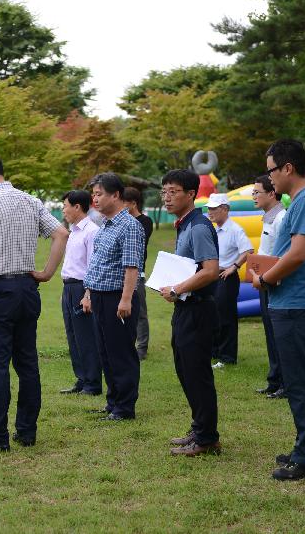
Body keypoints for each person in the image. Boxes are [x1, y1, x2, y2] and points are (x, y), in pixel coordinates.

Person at [0, 150, 69, 452]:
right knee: (27, 363)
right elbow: (61, 233)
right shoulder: (31, 201)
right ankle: (27, 431)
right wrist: (47, 273)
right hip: (27, 289)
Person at [252, 139, 305, 481]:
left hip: (299, 304)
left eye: (271, 170)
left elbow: (298, 254)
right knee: (298, 381)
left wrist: (266, 279)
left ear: (287, 168)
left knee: (302, 383)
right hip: (291, 302)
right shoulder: (302, 201)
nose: (270, 179)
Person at [158, 169, 222, 456]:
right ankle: (199, 428)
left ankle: (207, 438)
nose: (167, 197)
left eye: (173, 191)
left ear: (191, 194)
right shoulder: (183, 225)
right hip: (185, 306)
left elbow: (210, 270)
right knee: (185, 370)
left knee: (197, 373)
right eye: (164, 192)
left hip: (198, 308)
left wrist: (178, 288)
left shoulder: (198, 226)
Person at [82, 173, 144, 421]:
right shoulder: (105, 224)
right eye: (93, 194)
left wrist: (126, 299)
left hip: (117, 297)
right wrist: (88, 293)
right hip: (98, 295)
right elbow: (97, 263)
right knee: (105, 351)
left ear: (115, 195)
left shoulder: (130, 226)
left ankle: (125, 407)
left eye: (99, 194)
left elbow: (132, 267)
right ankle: (113, 401)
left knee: (121, 353)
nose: (94, 199)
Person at [59, 190, 102, 396]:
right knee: (73, 336)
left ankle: (93, 383)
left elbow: (93, 266)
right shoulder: (74, 231)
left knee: (86, 336)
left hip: (82, 287)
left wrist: (88, 294)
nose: (63, 209)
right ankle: (82, 378)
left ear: (77, 207)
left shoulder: (91, 231)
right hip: (69, 288)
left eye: (65, 205)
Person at [206, 193, 253, 368]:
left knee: (226, 317)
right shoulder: (213, 229)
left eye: (214, 209)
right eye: (209, 208)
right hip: (212, 276)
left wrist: (234, 267)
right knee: (213, 314)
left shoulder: (235, 229)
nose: (210, 212)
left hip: (227, 276)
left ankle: (227, 357)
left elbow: (248, 250)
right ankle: (215, 351)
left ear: (225, 209)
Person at [252, 175, 287, 398]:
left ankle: (285, 382)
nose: (254, 196)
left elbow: (283, 254)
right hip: (264, 282)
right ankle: (274, 379)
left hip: (276, 284)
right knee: (270, 333)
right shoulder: (268, 217)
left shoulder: (282, 218)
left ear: (272, 193)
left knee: (279, 335)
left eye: (257, 192)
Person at [122, 187, 153, 360]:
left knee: (140, 312)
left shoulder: (145, 222)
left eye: (124, 202)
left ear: (133, 203)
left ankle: (142, 347)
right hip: (120, 274)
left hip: (137, 273)